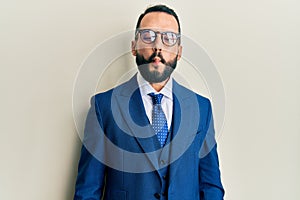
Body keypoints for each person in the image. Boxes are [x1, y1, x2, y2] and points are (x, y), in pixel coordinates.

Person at [74, 4, 224, 200]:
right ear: (134, 46)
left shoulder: (202, 108)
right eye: (148, 36)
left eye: (168, 38)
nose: (158, 46)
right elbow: (87, 191)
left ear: (179, 51)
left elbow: (211, 186)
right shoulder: (103, 107)